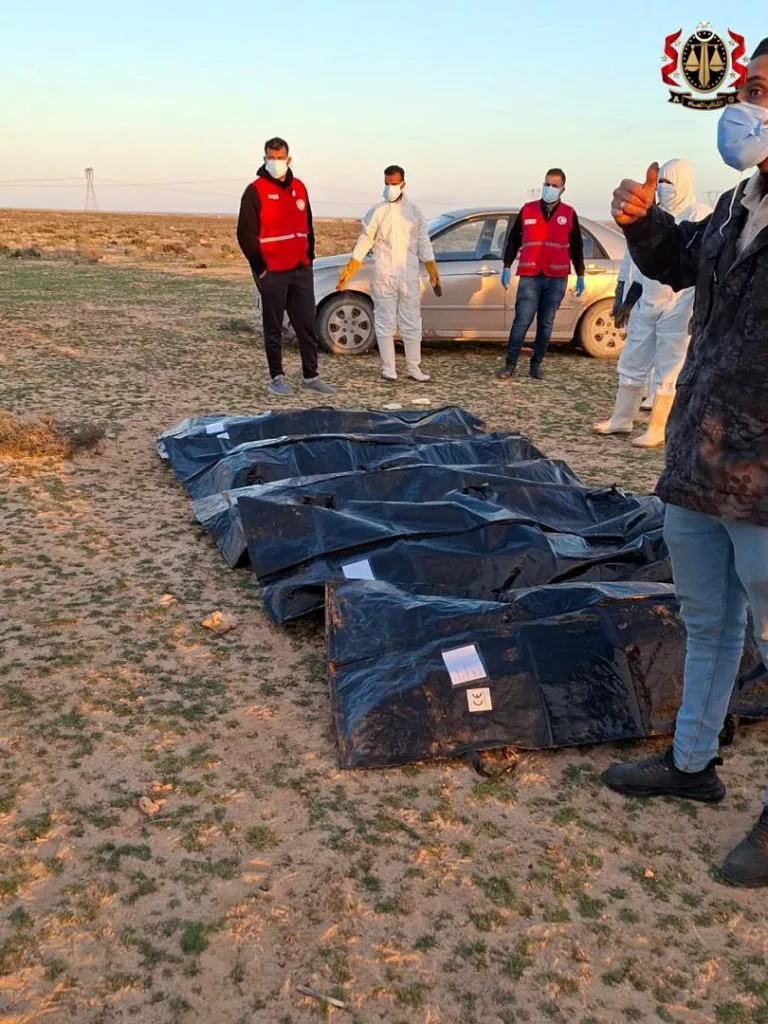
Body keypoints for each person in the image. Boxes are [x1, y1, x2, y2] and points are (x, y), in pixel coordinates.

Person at [602, 37, 768, 888]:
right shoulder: (742, 203)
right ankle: (691, 762)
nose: (748, 104)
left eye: (767, 90)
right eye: (749, 85)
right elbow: (679, 261)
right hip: (702, 460)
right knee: (708, 623)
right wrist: (644, 224)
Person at [593, 160, 711, 447]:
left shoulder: (701, 215)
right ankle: (622, 419)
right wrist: (624, 294)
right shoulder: (653, 214)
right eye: (661, 183)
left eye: (670, 183)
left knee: (669, 368)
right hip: (647, 298)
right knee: (632, 358)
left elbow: (705, 267)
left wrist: (701, 309)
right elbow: (632, 259)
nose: (663, 188)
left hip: (680, 304)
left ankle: (658, 428)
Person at [236, 137, 334, 397]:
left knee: (306, 324)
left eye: (279, 158)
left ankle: (310, 376)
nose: (275, 162)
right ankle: (277, 377)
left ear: (288, 159)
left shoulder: (300, 188)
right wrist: (261, 269)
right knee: (274, 326)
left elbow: (308, 226)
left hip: (300, 268)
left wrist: (309, 259)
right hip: (272, 271)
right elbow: (245, 235)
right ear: (265, 158)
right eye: (270, 157)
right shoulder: (254, 191)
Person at [336, 165, 441, 382]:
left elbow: (423, 242)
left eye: (394, 183)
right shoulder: (377, 211)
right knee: (385, 322)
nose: (390, 188)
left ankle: (414, 368)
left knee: (412, 322)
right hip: (384, 275)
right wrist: (350, 269)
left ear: (403, 184)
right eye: (387, 183)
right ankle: (389, 368)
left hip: (408, 276)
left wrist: (432, 271)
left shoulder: (414, 212)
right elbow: (365, 240)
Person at [496, 169, 586, 381]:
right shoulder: (528, 210)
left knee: (546, 323)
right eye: (547, 184)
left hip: (556, 277)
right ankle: (509, 365)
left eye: (555, 185)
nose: (549, 188)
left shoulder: (569, 213)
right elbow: (513, 240)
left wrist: (581, 274)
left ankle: (536, 365)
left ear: (563, 189)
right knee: (522, 321)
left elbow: (577, 246)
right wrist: (507, 266)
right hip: (530, 274)